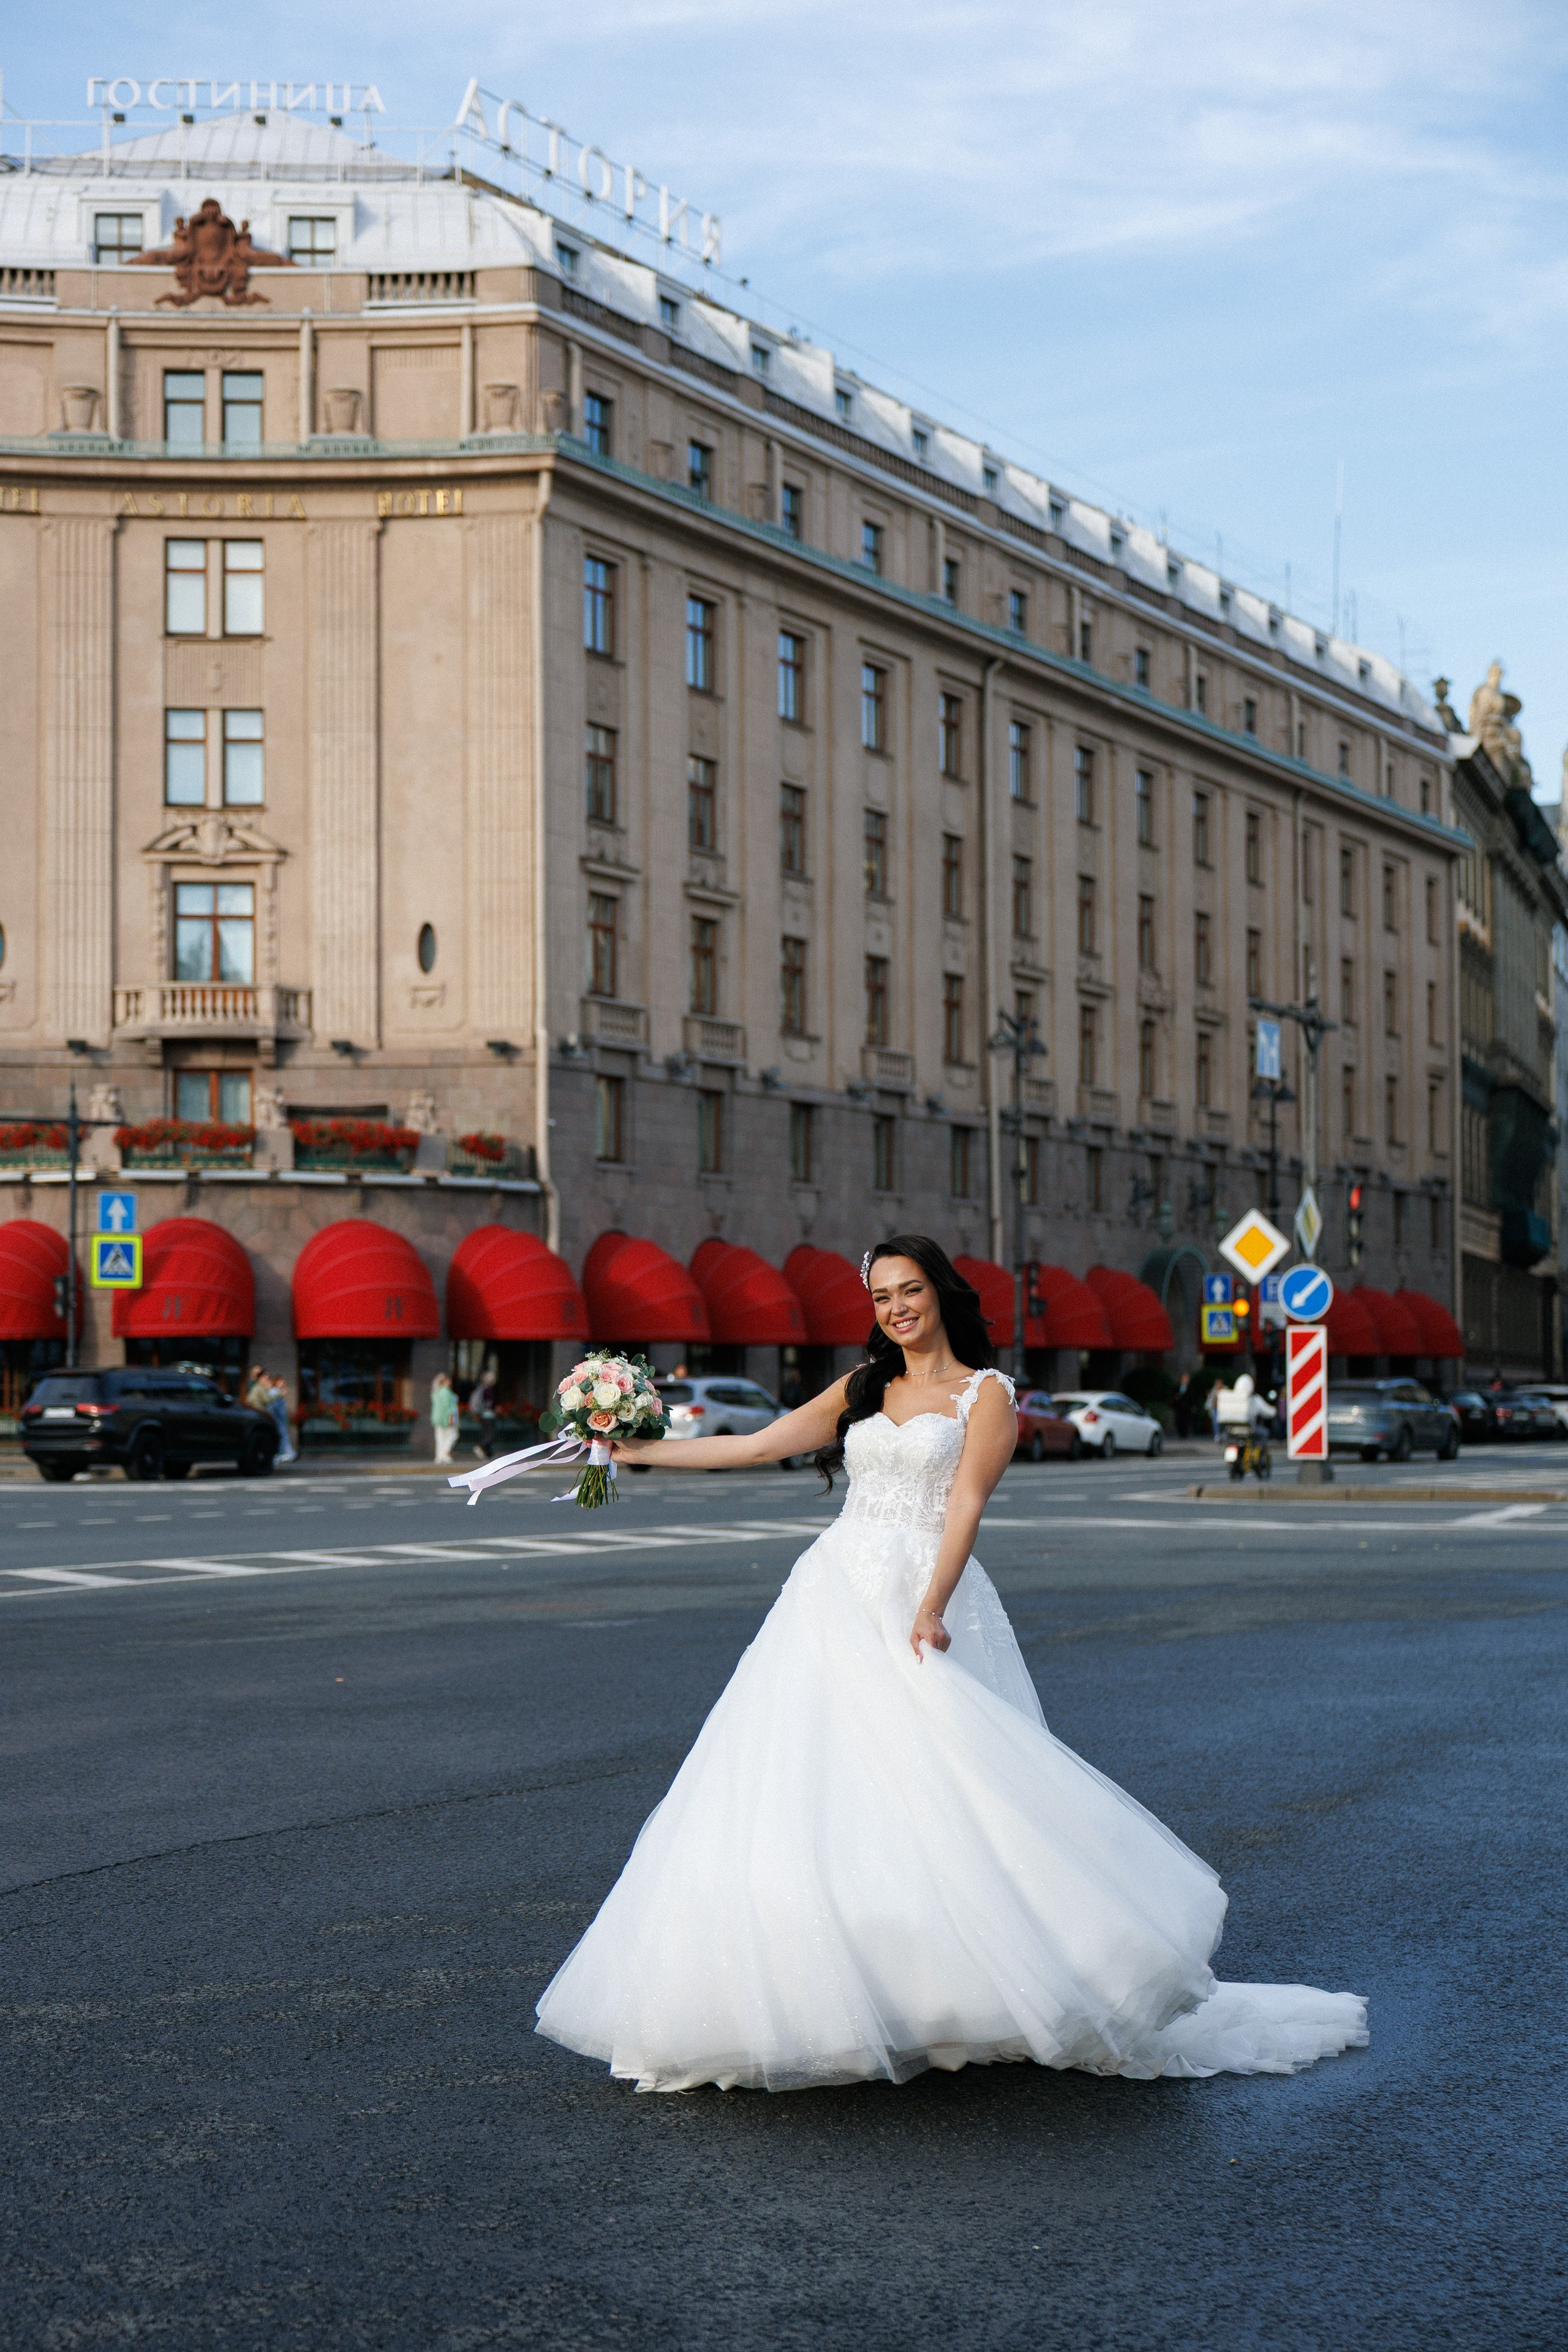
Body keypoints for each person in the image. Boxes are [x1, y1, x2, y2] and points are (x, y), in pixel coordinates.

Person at [528, 1233, 1366, 2094]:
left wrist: (930, 1603)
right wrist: (635, 1451)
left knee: (950, 1782)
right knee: (806, 1784)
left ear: (941, 1294)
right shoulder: (863, 1386)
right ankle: (849, 1987)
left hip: (922, 1589)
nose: (896, 1308)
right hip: (832, 1591)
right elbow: (759, 1444)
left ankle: (984, 1978)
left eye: (911, 1290)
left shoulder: (985, 1393)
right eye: (883, 1295)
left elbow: (965, 1501)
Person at [266, 1371, 297, 1465]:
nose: (283, 1383)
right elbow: (276, 1408)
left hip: (277, 1419)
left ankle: (286, 1454)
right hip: (278, 1419)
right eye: (280, 1381)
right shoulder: (276, 1392)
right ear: (276, 1382)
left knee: (283, 1436)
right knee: (282, 1436)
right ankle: (282, 1455)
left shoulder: (273, 1392)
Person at [431, 1372, 458, 1467]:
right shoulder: (446, 1392)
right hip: (446, 1418)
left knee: (440, 1438)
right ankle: (446, 1453)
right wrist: (451, 1417)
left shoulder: (436, 1391)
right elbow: (448, 1406)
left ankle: (439, 1456)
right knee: (452, 1436)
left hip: (438, 1418)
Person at [472, 1367, 497, 1460]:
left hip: (483, 1414)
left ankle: (488, 1453)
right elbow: (490, 1402)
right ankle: (481, 1447)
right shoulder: (489, 1389)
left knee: (487, 1433)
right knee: (491, 1434)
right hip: (488, 1414)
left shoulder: (482, 1388)